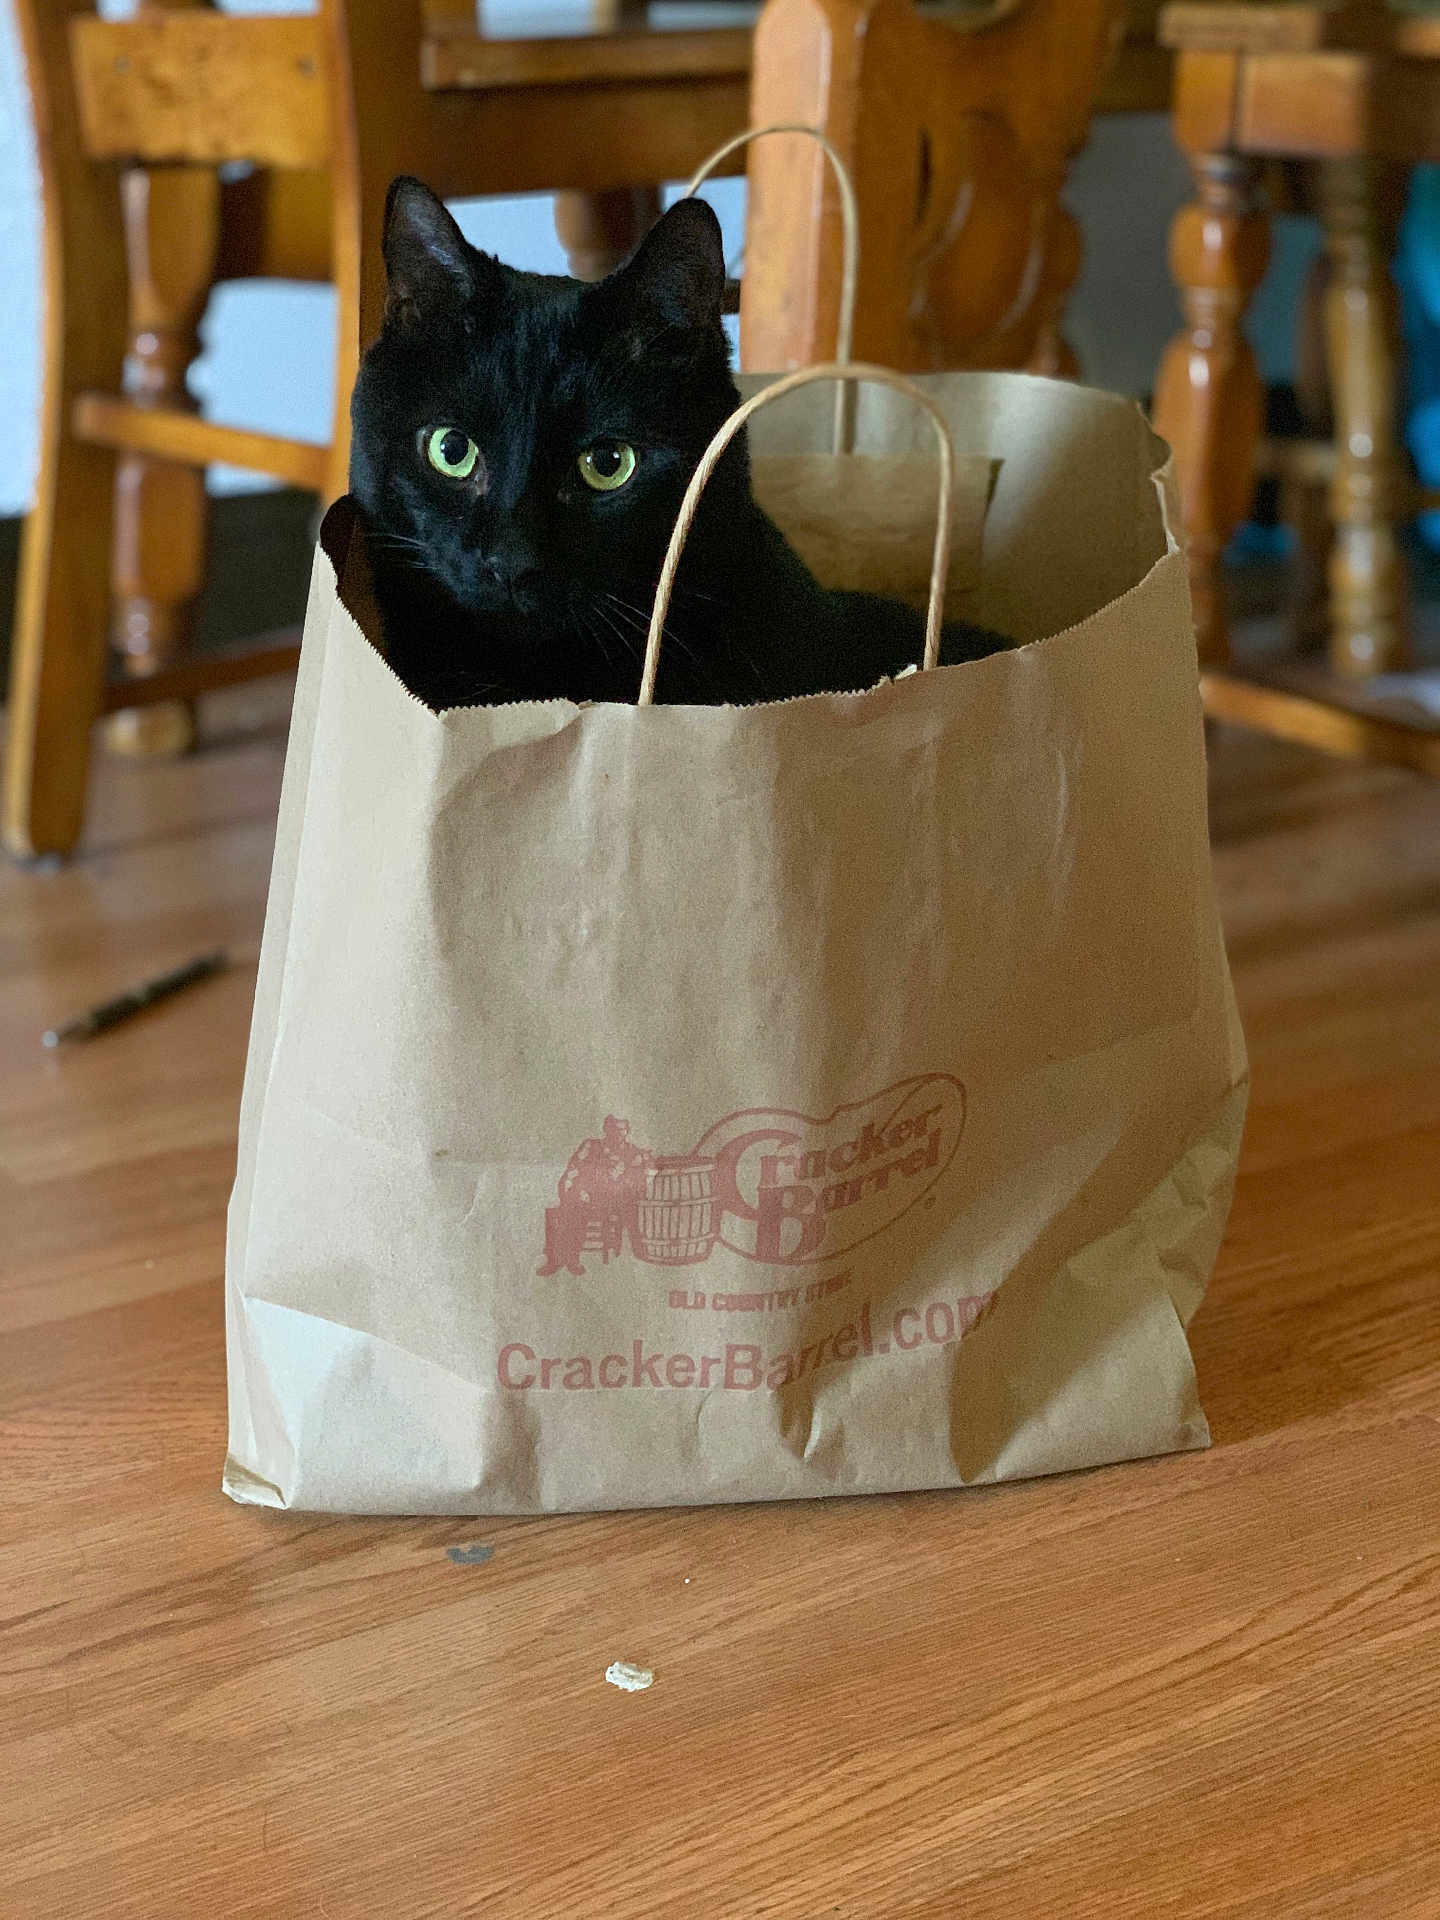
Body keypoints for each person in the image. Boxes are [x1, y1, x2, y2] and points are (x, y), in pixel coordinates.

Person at [537, 1117, 652, 1276]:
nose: (618, 1134)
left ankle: (569, 1259)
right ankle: (555, 1259)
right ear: (606, 1129)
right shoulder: (591, 1146)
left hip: (612, 1203)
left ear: (627, 1131)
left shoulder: (632, 1152)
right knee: (563, 1210)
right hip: (583, 1197)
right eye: (614, 1129)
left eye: (622, 1130)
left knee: (575, 1210)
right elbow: (574, 1167)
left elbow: (644, 1176)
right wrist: (572, 1192)